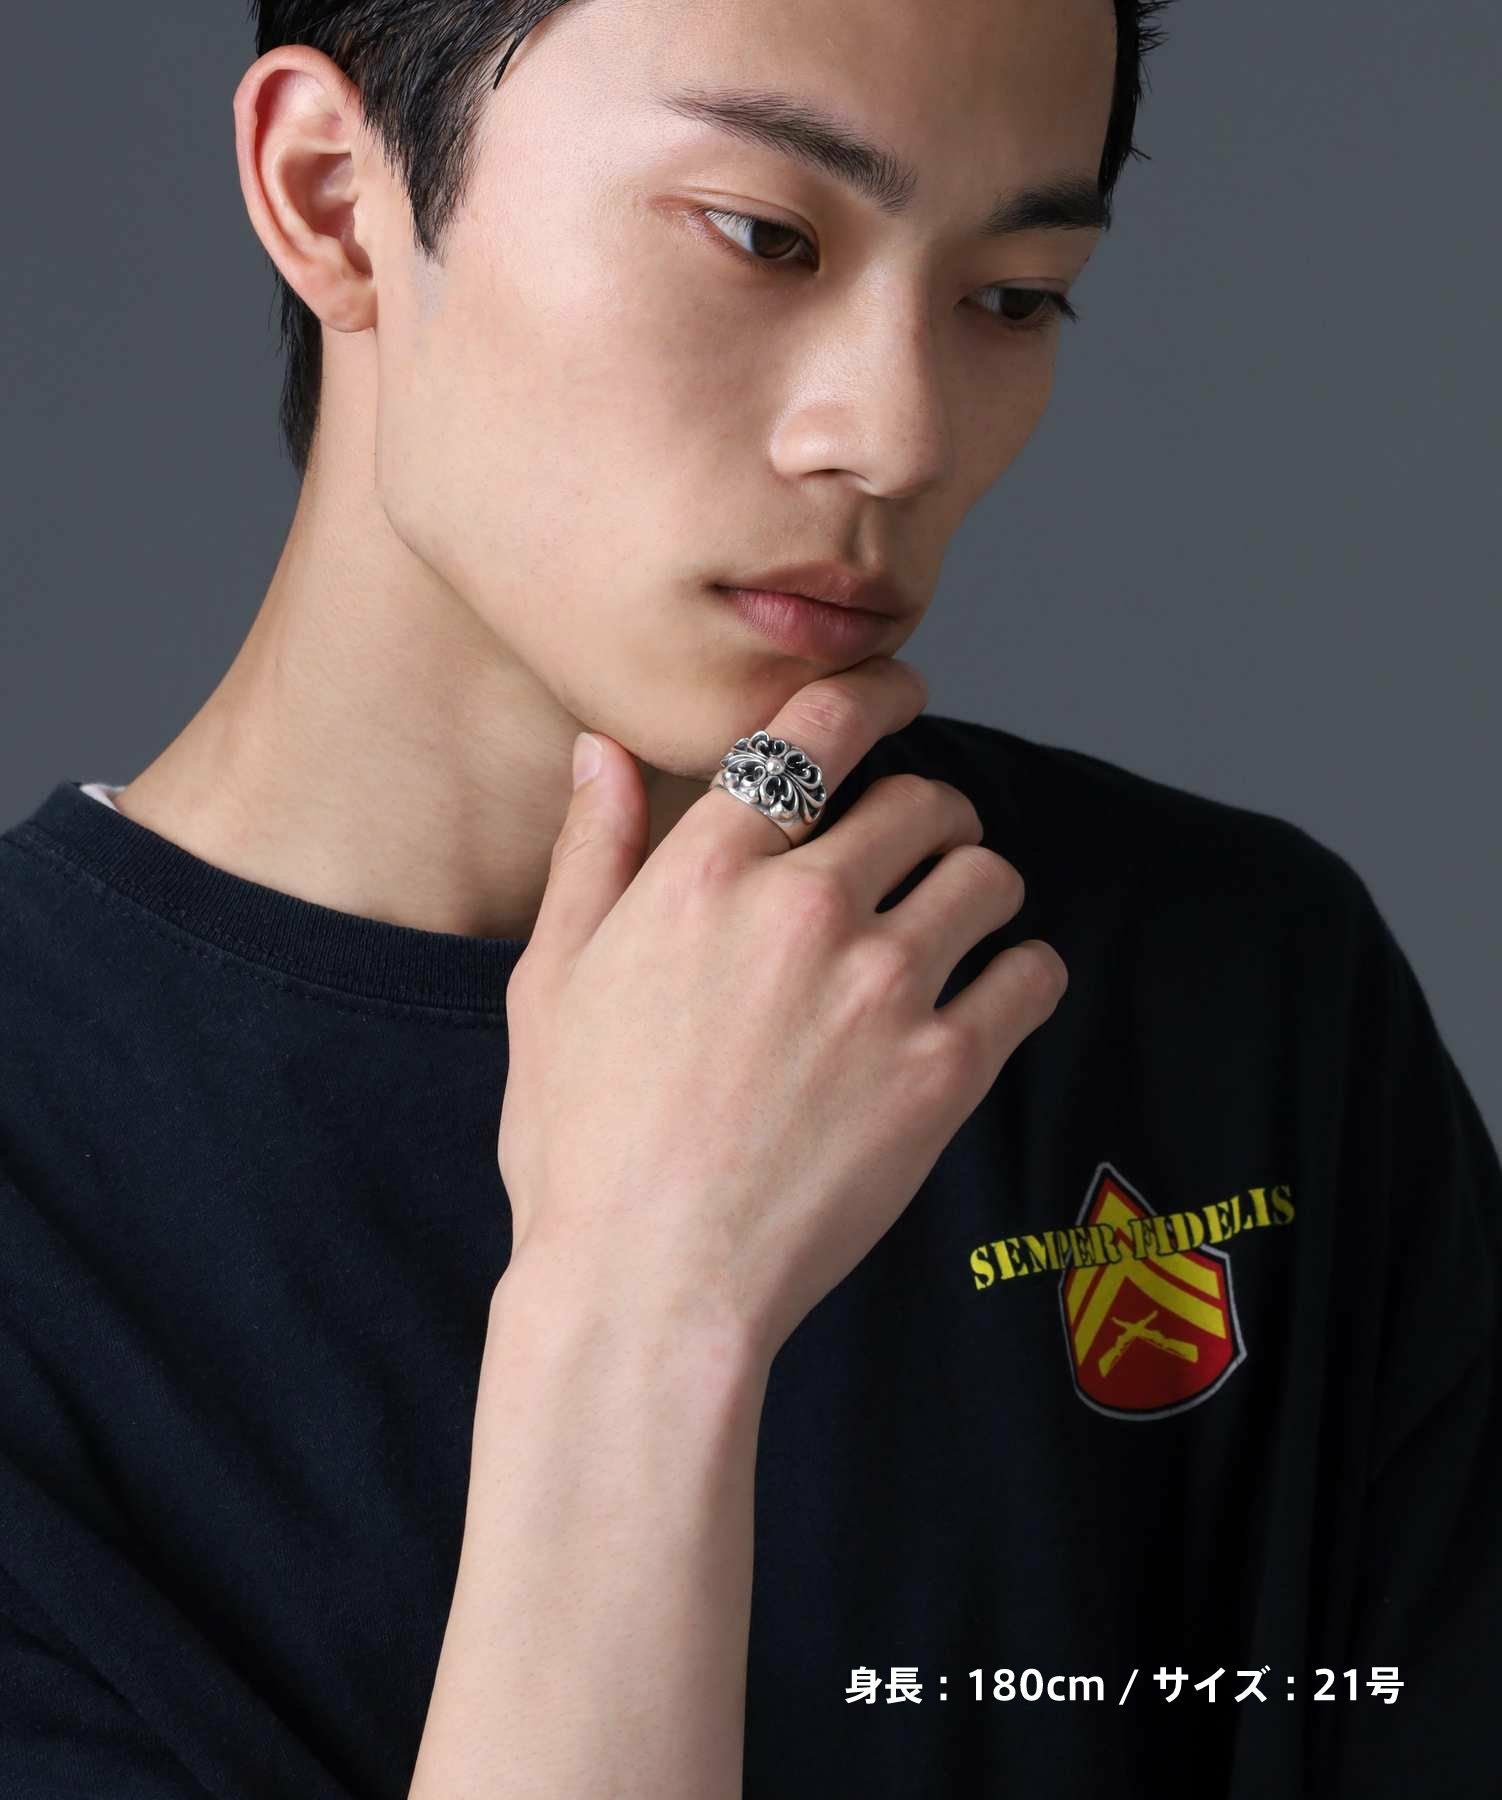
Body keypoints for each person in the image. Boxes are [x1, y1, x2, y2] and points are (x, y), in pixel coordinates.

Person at [1, 0, 1496, 1795]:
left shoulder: (1230, 985)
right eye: (763, 235)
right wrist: (637, 1320)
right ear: (333, 193)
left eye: (1013, 296)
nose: (899, 436)